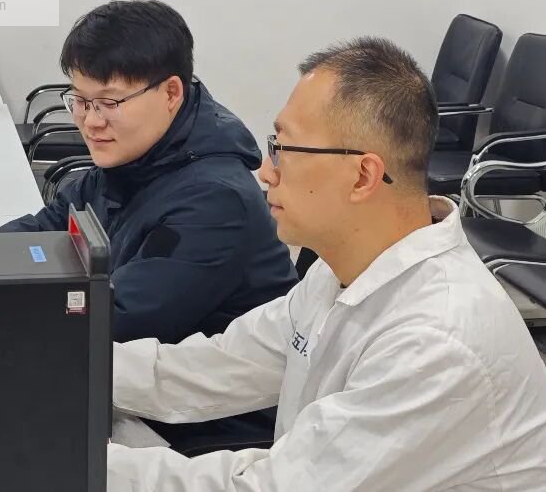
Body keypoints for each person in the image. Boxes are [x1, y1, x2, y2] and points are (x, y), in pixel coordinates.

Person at [108, 37, 546, 490]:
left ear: (362, 176)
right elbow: (218, 366)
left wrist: (93, 466)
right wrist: (77, 366)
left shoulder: (436, 340)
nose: (266, 171)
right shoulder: (344, 268)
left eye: (284, 149)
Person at [0, 0, 298, 345]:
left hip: (191, 375)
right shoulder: (139, 153)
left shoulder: (215, 202)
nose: (91, 121)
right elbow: (49, 227)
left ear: (171, 93)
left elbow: (116, 320)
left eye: (109, 103)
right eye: (80, 101)